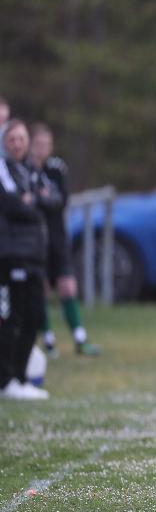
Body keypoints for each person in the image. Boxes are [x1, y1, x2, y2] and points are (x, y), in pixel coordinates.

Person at [29, 123, 100, 357]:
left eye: (46, 144)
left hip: (58, 237)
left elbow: (60, 200)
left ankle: (80, 338)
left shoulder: (57, 168)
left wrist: (43, 199)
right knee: (42, 288)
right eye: (38, 144)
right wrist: (43, 200)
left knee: (68, 286)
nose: (43, 149)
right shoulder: (24, 170)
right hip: (36, 238)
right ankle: (48, 341)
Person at [0, 120, 56, 400]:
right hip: (13, 255)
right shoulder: (3, 168)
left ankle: (19, 378)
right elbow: (14, 206)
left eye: (22, 139)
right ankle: (7, 379)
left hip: (35, 254)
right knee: (14, 317)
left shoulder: (31, 170)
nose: (18, 144)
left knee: (34, 315)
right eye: (12, 139)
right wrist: (33, 202)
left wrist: (33, 200)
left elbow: (54, 200)